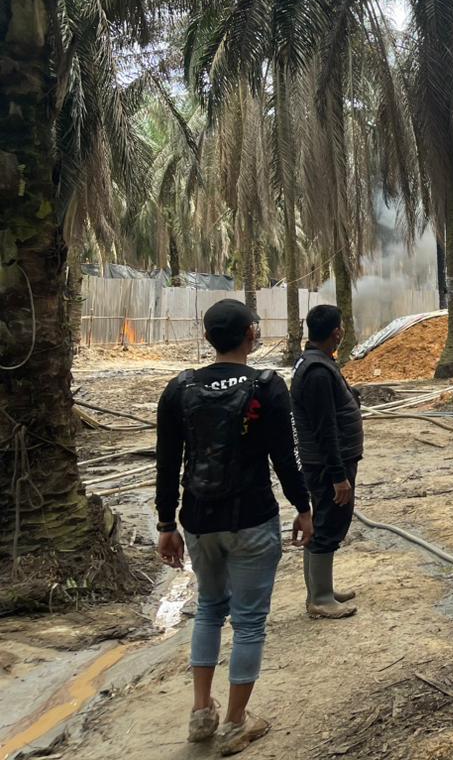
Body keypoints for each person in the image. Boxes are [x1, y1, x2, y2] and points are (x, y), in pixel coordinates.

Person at [155, 299, 313, 756]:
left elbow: (167, 464)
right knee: (248, 623)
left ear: (208, 338)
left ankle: (201, 712)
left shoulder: (178, 389)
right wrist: (303, 507)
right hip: (251, 518)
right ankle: (235, 723)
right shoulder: (266, 385)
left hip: (199, 520)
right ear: (251, 333)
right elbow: (285, 455)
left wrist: (167, 523)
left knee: (208, 608)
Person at [291, 304, 364, 619]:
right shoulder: (318, 372)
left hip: (324, 462)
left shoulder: (314, 363)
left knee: (324, 522)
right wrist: (338, 476)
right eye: (342, 327)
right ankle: (319, 598)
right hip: (327, 465)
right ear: (337, 333)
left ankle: (321, 588)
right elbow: (325, 430)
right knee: (329, 525)